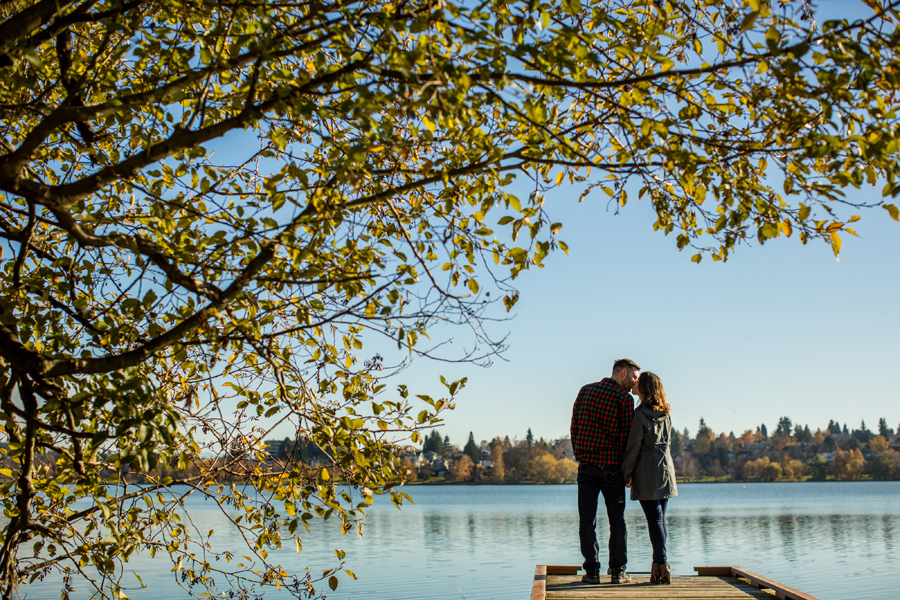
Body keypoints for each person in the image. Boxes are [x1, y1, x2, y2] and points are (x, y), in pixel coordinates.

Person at [570, 358, 640, 585]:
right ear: (621, 373)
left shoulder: (585, 391)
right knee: (617, 521)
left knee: (587, 521)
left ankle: (591, 572)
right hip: (611, 467)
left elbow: (575, 426)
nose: (634, 383)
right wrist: (626, 469)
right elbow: (625, 437)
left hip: (586, 466)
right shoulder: (624, 399)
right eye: (633, 377)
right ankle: (618, 572)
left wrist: (579, 454)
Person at [622, 371, 677, 585]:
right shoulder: (666, 414)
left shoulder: (639, 415)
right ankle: (657, 567)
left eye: (637, 382)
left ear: (644, 388)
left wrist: (626, 474)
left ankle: (663, 564)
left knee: (655, 520)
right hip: (666, 471)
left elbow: (633, 447)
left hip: (646, 473)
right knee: (660, 520)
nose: (633, 384)